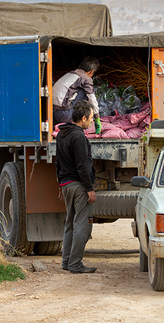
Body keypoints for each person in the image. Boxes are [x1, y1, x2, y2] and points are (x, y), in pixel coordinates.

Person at [55, 100, 98, 274]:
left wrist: (60, 183)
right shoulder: (78, 136)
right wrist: (89, 188)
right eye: (91, 118)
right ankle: (75, 264)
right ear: (83, 118)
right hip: (79, 186)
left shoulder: (62, 134)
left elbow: (58, 162)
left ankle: (66, 262)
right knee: (81, 225)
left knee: (69, 224)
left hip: (66, 184)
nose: (91, 122)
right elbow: (82, 165)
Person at [53, 56, 102, 133]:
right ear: (91, 71)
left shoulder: (70, 74)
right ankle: (86, 119)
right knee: (86, 92)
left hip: (52, 113)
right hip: (64, 115)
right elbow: (92, 98)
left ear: (80, 66)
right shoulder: (86, 78)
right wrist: (97, 118)